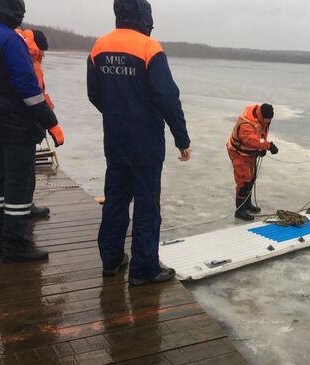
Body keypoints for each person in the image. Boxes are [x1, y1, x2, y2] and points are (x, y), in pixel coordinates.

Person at [87, 0, 192, 286]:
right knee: (147, 205)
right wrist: (181, 138)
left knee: (116, 200)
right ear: (145, 17)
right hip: (145, 140)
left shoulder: (99, 47)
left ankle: (111, 259)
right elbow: (167, 97)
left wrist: (116, 114)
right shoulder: (149, 48)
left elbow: (94, 92)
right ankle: (144, 269)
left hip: (116, 138)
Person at [0, 0, 65, 262]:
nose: (22, 14)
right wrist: (51, 123)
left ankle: (0, 233)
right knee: (18, 181)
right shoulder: (10, 40)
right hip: (15, 120)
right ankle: (16, 243)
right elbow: (28, 89)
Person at [15, 27, 52, 218]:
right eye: (43, 50)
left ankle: (21, 207)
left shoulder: (19, 55)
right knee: (24, 170)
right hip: (24, 124)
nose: (44, 55)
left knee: (13, 170)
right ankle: (24, 209)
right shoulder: (31, 63)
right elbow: (34, 94)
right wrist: (50, 121)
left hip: (10, 122)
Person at [227, 103, 278, 221]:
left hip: (249, 152)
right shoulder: (247, 124)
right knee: (244, 181)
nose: (268, 121)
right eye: (267, 119)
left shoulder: (260, 117)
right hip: (239, 153)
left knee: (251, 178)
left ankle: (247, 203)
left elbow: (259, 135)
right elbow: (251, 139)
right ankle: (240, 210)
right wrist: (268, 146)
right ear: (262, 116)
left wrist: (260, 149)